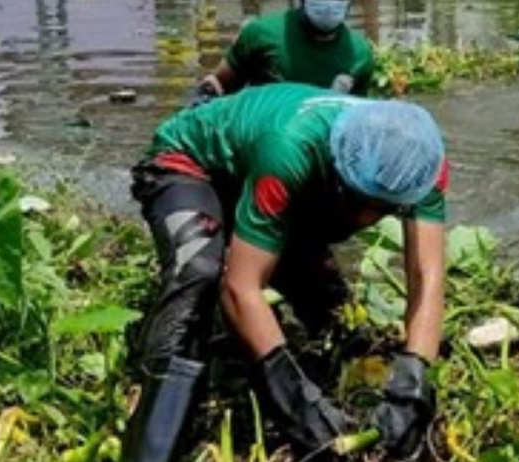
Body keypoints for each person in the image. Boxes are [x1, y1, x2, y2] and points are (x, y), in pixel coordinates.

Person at [122, 83, 449, 462]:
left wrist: (413, 380)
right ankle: (152, 441)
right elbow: (240, 289)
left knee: (332, 310)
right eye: (362, 203)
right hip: (192, 166)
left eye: (383, 209)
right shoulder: (290, 148)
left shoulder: (419, 164)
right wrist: (297, 407)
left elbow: (426, 276)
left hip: (285, 182)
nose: (364, 220)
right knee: (199, 272)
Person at [190, 0, 375, 106]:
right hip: (262, 146)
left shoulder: (359, 54)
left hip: (322, 155)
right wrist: (203, 100)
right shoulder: (261, 33)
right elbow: (220, 83)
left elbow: (354, 116)